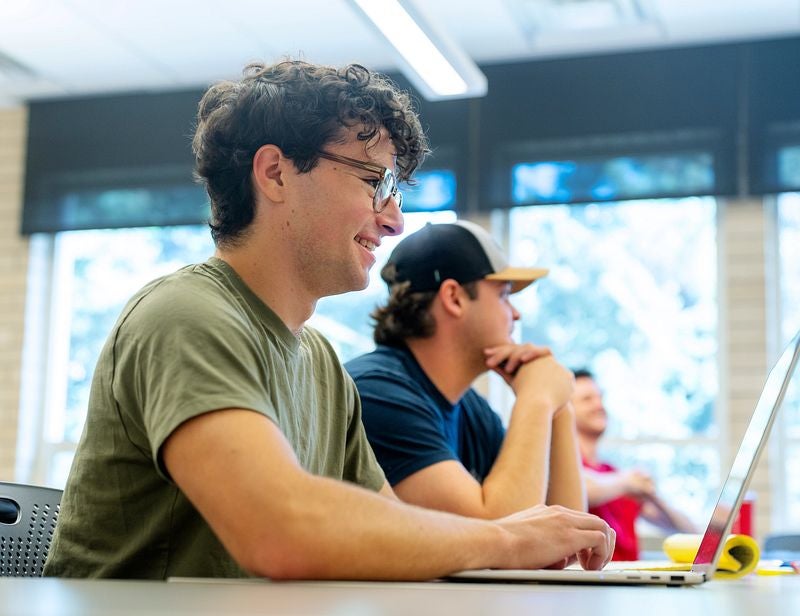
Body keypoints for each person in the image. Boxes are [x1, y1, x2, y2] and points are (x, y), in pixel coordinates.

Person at [44, 59, 614, 581]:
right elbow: (279, 531)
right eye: (374, 182)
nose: (394, 221)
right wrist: (505, 539)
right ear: (275, 174)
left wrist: (507, 534)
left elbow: (391, 533)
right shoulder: (186, 316)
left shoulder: (319, 362)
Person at [346, 221, 586, 520]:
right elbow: (503, 535)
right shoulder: (377, 394)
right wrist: (538, 399)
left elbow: (571, 531)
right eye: (503, 295)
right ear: (454, 298)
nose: (516, 314)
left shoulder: (473, 411)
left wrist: (560, 410)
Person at [571, 369, 695, 561]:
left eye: (600, 397)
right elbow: (579, 486)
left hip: (627, 577)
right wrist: (628, 482)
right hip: (593, 577)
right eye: (587, 399)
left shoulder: (612, 474)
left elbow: (686, 530)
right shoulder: (565, 467)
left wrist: (654, 496)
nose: (599, 405)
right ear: (567, 411)